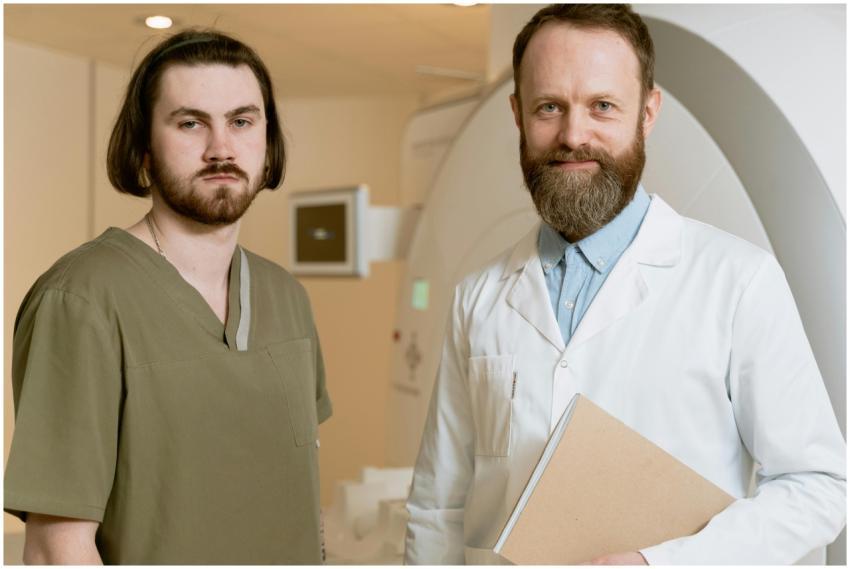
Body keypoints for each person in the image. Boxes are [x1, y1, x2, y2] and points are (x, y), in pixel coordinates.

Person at [404, 4, 845, 565]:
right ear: (518, 114)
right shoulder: (478, 297)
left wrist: (660, 564)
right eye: (549, 107)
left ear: (648, 112)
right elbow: (437, 506)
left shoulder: (738, 281)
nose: (572, 134)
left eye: (603, 106)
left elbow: (818, 486)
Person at [5, 29, 332, 564]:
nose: (221, 148)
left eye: (242, 122)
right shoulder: (82, 300)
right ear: (144, 148)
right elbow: (55, 548)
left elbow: (298, 493)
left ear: (267, 144)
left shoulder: (286, 296)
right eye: (190, 123)